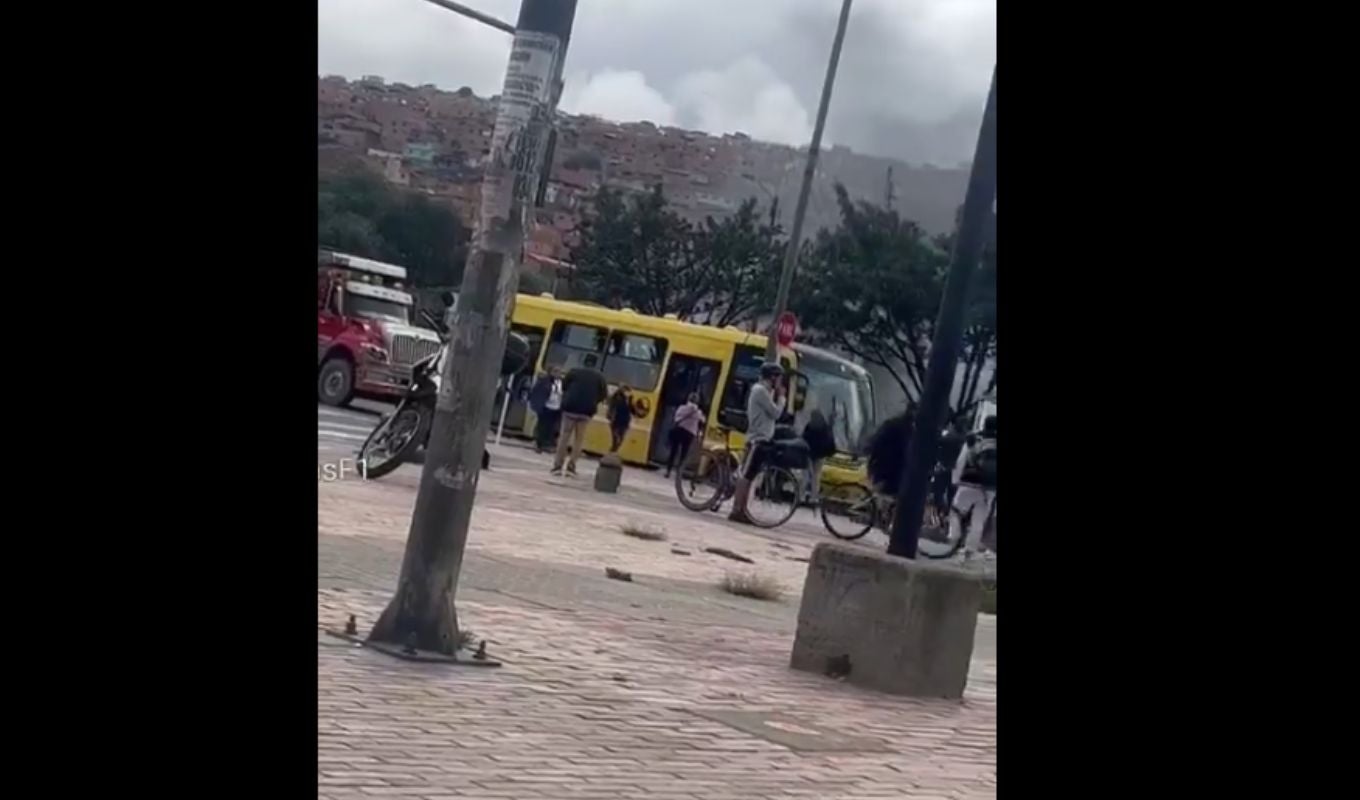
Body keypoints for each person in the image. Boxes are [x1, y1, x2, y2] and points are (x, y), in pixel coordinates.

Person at [728, 362, 786, 524]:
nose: (780, 383)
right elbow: (775, 413)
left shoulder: (764, 391)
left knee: (749, 474)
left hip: (762, 438)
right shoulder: (760, 391)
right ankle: (737, 510)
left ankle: (740, 508)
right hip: (757, 439)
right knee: (746, 476)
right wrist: (781, 397)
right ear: (772, 377)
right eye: (779, 378)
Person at [950, 415, 997, 561]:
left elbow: (961, 460)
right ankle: (969, 551)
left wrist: (955, 480)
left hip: (968, 483)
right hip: (989, 489)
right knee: (978, 520)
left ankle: (954, 538)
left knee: (955, 511)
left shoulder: (974, 439)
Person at [552, 354, 608, 476]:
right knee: (579, 440)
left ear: (584, 361)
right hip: (586, 411)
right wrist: (593, 401)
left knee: (564, 437)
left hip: (570, 408)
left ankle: (557, 466)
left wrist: (569, 396)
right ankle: (571, 467)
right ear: (595, 363)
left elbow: (564, 386)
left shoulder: (574, 372)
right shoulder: (599, 377)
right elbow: (603, 395)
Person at [866, 407, 915, 495]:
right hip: (893, 472)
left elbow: (875, 443)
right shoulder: (907, 430)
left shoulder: (892, 424)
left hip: (885, 470)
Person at [800, 408, 837, 506]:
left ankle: (801, 496)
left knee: (806, 475)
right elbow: (829, 438)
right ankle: (814, 497)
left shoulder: (809, 426)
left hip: (809, 454)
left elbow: (803, 439)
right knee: (817, 476)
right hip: (820, 455)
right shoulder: (824, 427)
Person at [665, 393, 705, 478]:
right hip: (690, 434)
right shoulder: (698, 412)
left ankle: (668, 470)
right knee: (684, 453)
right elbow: (703, 420)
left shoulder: (682, 408)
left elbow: (676, 417)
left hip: (679, 430)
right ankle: (679, 472)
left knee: (674, 451)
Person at [527, 367, 563, 454]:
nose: (557, 374)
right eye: (555, 371)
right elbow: (538, 392)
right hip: (546, 407)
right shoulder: (544, 381)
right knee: (542, 426)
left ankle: (548, 444)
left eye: (559, 372)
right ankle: (539, 444)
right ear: (550, 372)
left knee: (552, 428)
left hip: (557, 408)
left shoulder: (561, 382)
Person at [607, 383, 633, 452]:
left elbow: (631, 409)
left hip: (625, 420)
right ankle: (612, 451)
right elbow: (612, 407)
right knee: (616, 438)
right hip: (616, 420)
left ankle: (614, 451)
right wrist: (610, 416)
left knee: (621, 438)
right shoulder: (616, 397)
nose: (627, 392)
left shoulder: (630, 398)